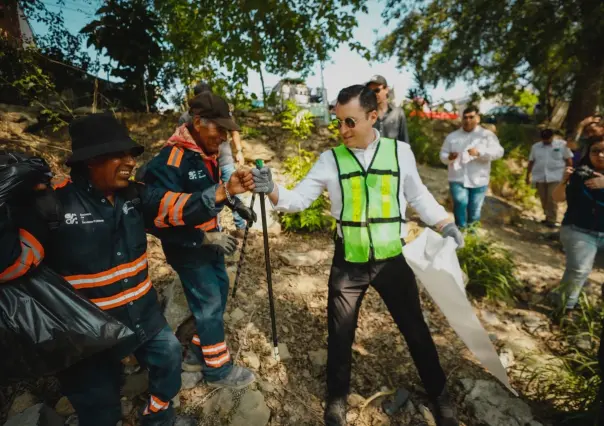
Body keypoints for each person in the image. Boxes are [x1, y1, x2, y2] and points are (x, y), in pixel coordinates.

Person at [0, 113, 253, 426]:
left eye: (131, 154)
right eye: (118, 154)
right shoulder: (53, 206)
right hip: (86, 334)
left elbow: (173, 205)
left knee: (169, 356)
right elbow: (14, 264)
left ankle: (159, 418)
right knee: (99, 405)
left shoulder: (134, 195)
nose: (130, 161)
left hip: (143, 316)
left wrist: (222, 191)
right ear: (89, 160)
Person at [249, 85, 464, 426]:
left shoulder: (400, 153)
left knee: (416, 331)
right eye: (338, 122)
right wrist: (271, 188)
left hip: (392, 260)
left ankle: (440, 394)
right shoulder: (330, 159)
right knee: (340, 334)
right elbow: (298, 200)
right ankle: (336, 401)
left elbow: (418, 196)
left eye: (350, 122)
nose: (343, 130)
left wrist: (444, 224)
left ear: (373, 116)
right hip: (348, 262)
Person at [144, 92, 257, 389]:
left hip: (211, 241)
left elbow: (216, 189)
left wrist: (235, 203)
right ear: (197, 122)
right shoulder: (170, 161)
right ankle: (218, 371)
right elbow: (159, 218)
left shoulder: (206, 153)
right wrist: (204, 237)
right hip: (188, 246)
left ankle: (197, 353)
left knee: (220, 290)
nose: (222, 137)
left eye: (225, 130)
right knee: (208, 303)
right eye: (217, 128)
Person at [180, 82, 247, 236]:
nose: (223, 137)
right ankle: (213, 229)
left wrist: (239, 151)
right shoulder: (186, 117)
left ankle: (240, 226)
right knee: (208, 195)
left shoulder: (220, 111)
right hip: (202, 163)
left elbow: (234, 131)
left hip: (224, 160)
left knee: (232, 190)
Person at [552, 133, 604, 311]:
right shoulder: (580, 173)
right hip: (578, 230)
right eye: (595, 151)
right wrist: (563, 181)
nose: (600, 155)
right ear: (588, 153)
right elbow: (558, 198)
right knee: (580, 270)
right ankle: (564, 310)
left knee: (575, 271)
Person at [440, 106, 504, 229]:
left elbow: (499, 152)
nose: (467, 120)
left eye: (471, 117)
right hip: (457, 178)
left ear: (478, 118)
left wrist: (480, 152)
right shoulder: (452, 137)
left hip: (479, 179)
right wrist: (449, 157)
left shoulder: (487, 135)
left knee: (474, 210)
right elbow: (442, 155)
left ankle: (472, 235)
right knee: (459, 203)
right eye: (465, 117)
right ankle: (460, 231)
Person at [525, 129, 573, 227]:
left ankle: (552, 219)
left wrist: (569, 174)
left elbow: (568, 160)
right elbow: (531, 161)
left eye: (548, 139)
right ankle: (547, 216)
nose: (546, 141)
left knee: (552, 197)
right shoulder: (535, 147)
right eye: (544, 139)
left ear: (552, 137)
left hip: (556, 176)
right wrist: (527, 175)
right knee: (543, 198)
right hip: (540, 176)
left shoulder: (561, 145)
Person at [366, 75, 409, 143]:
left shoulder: (398, 113)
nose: (374, 94)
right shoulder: (367, 114)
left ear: (386, 90)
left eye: (377, 90)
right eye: (370, 91)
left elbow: (404, 141)